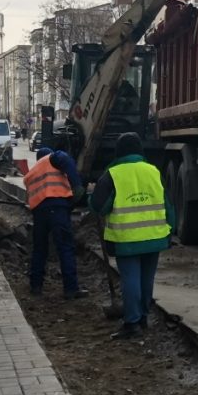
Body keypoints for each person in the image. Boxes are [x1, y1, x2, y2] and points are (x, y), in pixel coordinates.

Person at [89, 133, 174, 340]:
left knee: (131, 280)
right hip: (154, 236)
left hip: (126, 239)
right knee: (147, 279)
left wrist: (92, 195)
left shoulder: (113, 174)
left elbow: (98, 206)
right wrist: (170, 230)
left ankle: (132, 322)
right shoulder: (153, 171)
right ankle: (143, 317)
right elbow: (168, 204)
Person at [24, 146, 89, 300]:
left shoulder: (30, 175)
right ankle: (71, 289)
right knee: (65, 247)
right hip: (57, 209)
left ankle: (36, 286)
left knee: (39, 249)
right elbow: (64, 158)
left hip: (39, 213)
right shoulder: (52, 158)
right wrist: (77, 186)